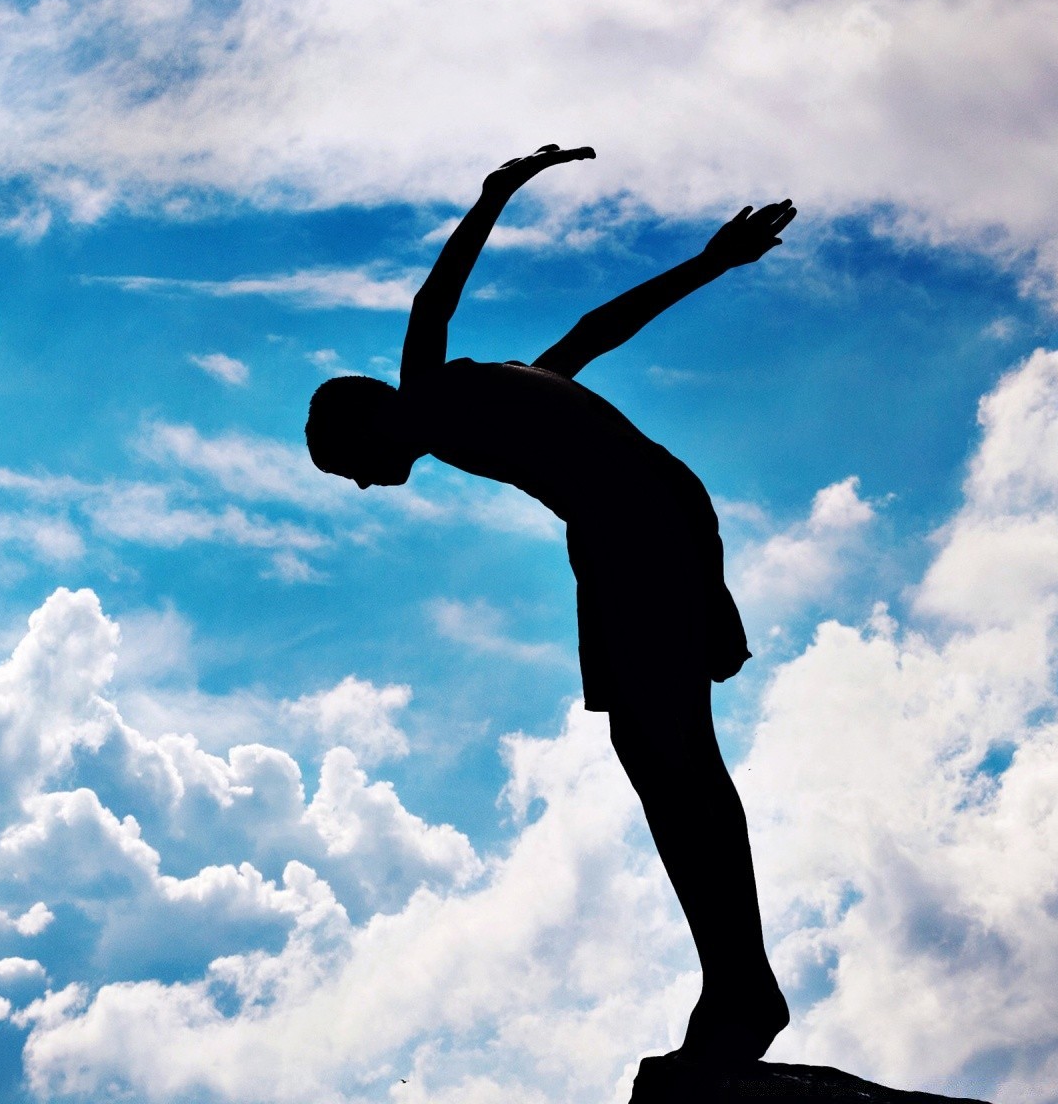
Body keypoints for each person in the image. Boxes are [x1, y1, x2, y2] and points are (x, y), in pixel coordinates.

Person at [305, 144, 795, 1064]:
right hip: (643, 525)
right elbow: (596, 329)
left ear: (365, 418)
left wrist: (494, 195)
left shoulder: (426, 393)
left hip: (636, 530)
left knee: (671, 755)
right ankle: (738, 979)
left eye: (347, 466)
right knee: (667, 756)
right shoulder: (490, 396)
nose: (363, 487)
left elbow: (430, 303)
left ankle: (742, 986)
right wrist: (707, 264)